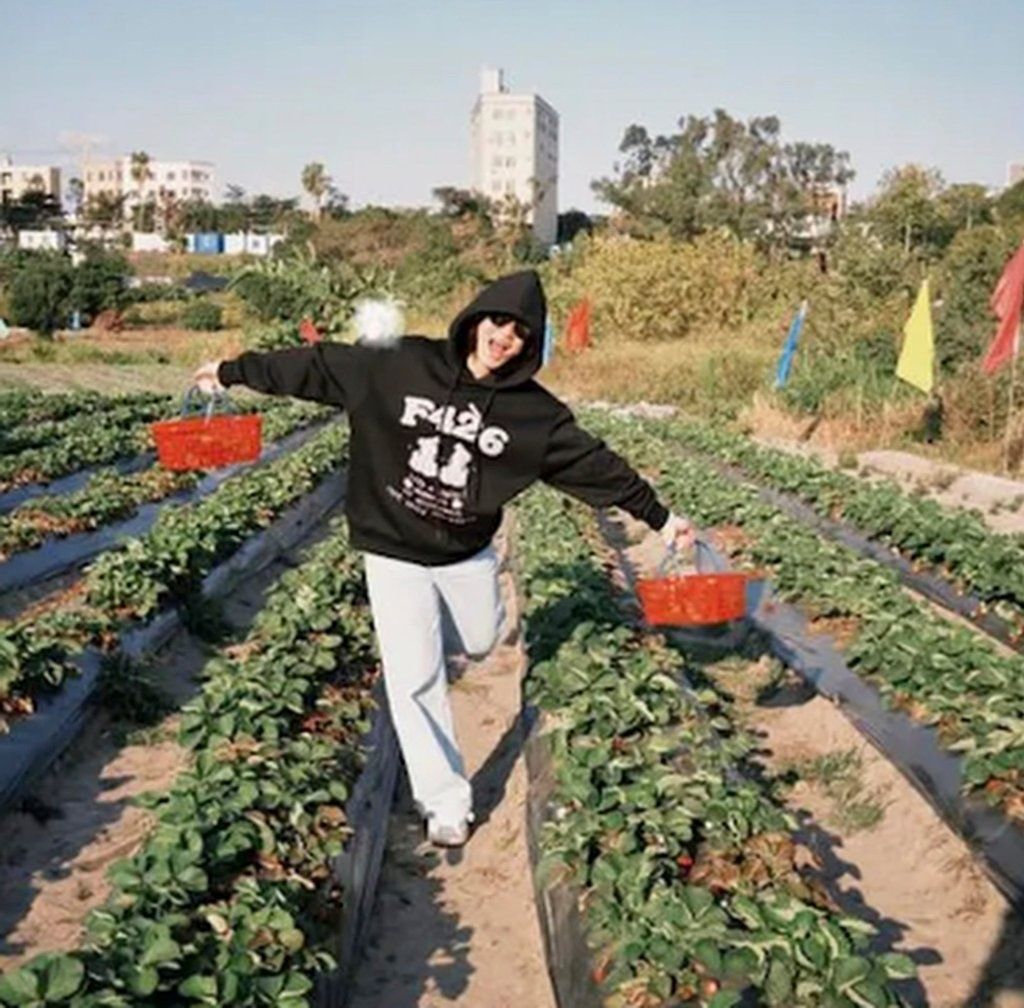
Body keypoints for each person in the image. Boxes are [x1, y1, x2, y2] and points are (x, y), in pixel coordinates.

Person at [194, 270, 693, 847]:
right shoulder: (400, 363)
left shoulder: (534, 416)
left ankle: (468, 639)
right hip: (392, 549)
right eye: (498, 321)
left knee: (483, 639)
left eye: (520, 333)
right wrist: (232, 372)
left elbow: (595, 467)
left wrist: (661, 517)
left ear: (530, 346)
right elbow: (319, 365)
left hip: (466, 553)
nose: (504, 337)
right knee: (415, 676)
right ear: (477, 318)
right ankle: (445, 803)